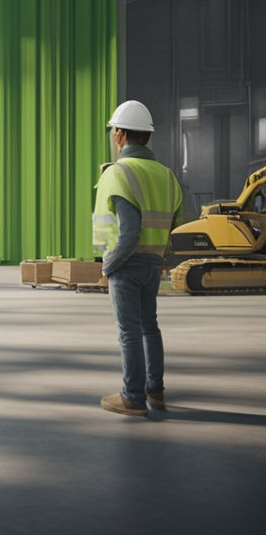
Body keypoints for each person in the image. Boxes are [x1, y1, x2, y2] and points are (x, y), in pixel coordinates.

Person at [93, 100, 183, 418]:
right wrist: (159, 258)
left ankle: (132, 397)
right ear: (147, 136)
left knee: (129, 331)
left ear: (119, 135)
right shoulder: (167, 176)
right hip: (151, 263)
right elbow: (174, 224)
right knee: (150, 327)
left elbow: (128, 233)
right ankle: (154, 390)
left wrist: (108, 266)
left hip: (126, 264)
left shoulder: (120, 173)